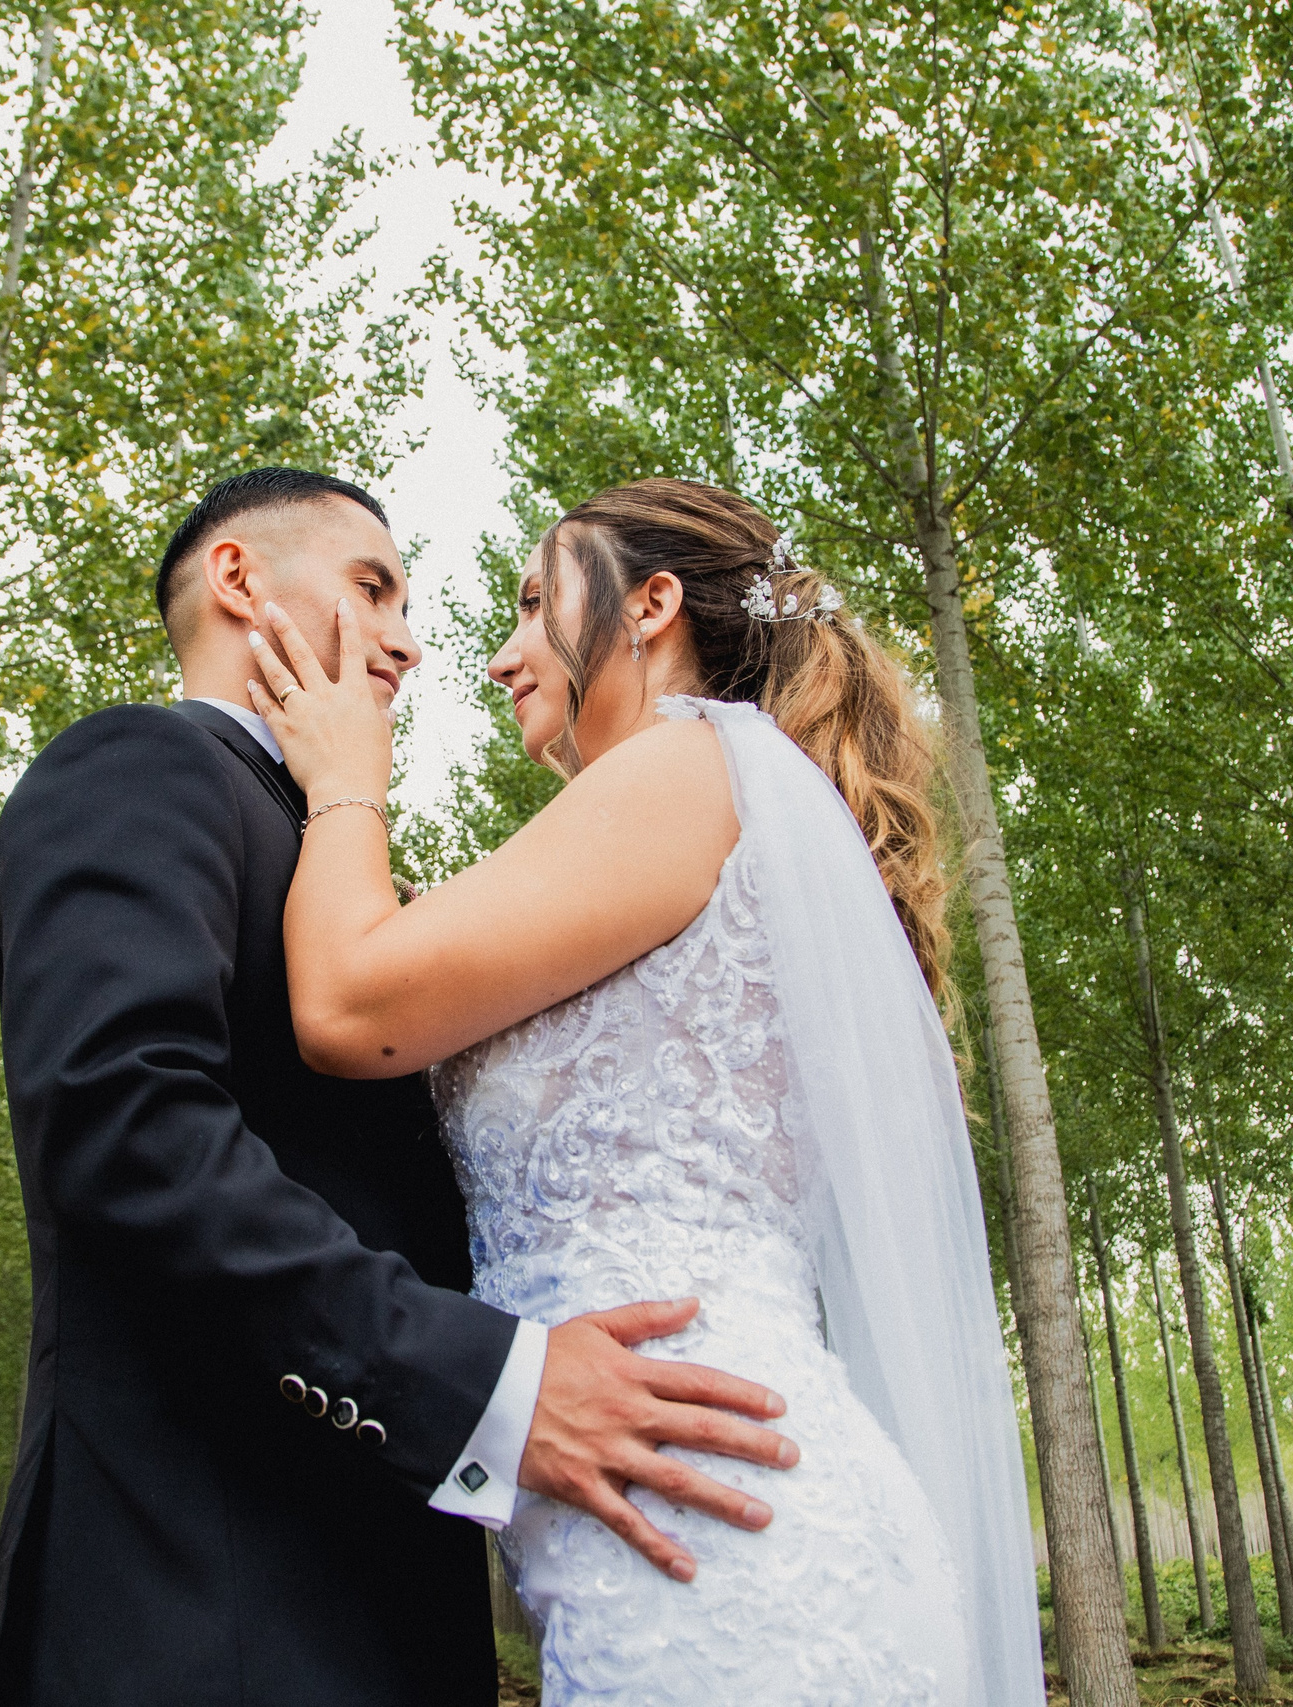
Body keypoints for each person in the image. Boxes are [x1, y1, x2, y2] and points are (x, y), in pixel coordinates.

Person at [0, 468, 796, 1707]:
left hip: (390, 1596)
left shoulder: (339, 865)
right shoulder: (141, 766)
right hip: (200, 1610)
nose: (415, 643)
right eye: (375, 588)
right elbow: (122, 1126)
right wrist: (485, 1386)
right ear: (240, 581)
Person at [245, 477, 1044, 1706]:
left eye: (528, 603)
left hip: (716, 1531)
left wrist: (348, 778)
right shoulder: (724, 810)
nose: (503, 658)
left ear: (650, 603)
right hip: (696, 1500)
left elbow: (351, 1007)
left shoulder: (682, 766)